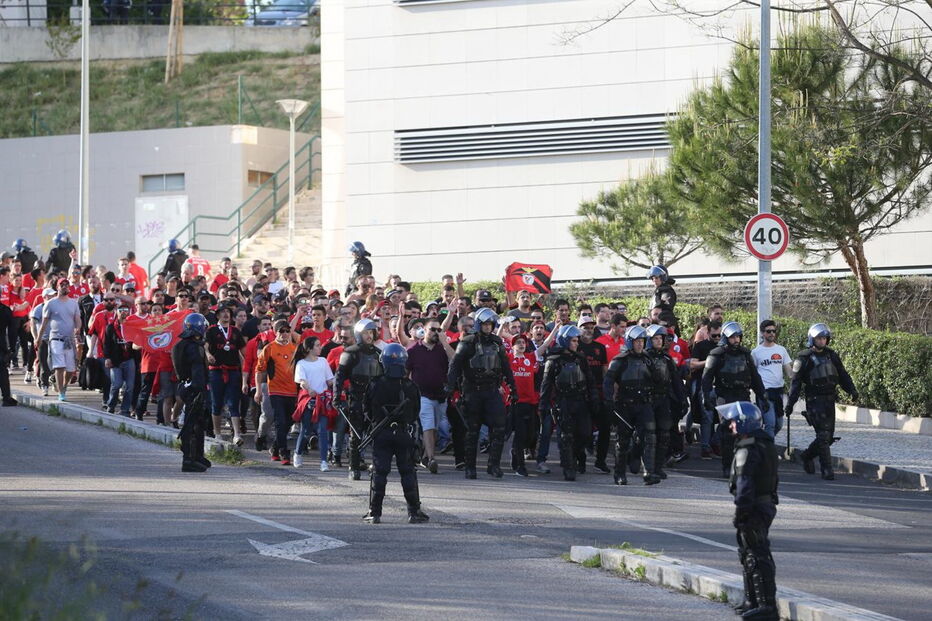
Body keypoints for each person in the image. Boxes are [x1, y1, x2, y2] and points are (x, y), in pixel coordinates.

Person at [719, 402, 779, 621]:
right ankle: (752, 602)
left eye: (734, 421)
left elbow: (745, 483)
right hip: (765, 504)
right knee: (749, 554)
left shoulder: (748, 448)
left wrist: (741, 512)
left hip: (754, 506)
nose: (731, 425)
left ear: (745, 423)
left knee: (757, 555)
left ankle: (766, 606)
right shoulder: (765, 444)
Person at [445, 308, 518, 479]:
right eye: (485, 324)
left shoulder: (496, 343)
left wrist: (513, 388)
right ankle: (470, 467)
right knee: (472, 431)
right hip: (472, 391)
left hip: (492, 391)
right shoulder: (467, 342)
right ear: (479, 324)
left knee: (499, 428)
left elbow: (506, 367)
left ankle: (494, 465)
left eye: (490, 324)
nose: (487, 327)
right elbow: (455, 366)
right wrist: (450, 386)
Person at [362, 343, 429, 524]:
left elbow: (366, 410)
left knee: (379, 473)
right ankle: (414, 512)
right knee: (408, 472)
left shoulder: (374, 384)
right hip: (403, 432)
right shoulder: (411, 386)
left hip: (381, 433)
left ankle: (374, 512)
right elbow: (416, 411)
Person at [785, 323, 859, 481]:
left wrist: (851, 390)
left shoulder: (831, 355)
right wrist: (790, 404)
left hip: (829, 399)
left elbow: (842, 374)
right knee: (823, 435)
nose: (822, 341)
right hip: (814, 401)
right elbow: (796, 384)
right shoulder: (803, 358)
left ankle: (807, 455)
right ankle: (827, 469)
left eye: (824, 338)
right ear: (812, 339)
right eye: (819, 338)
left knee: (828, 436)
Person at [702, 321, 768, 477]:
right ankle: (727, 466)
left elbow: (755, 377)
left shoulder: (745, 354)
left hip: (743, 396)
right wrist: (706, 396)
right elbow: (706, 378)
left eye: (738, 337)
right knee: (727, 433)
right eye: (732, 337)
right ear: (726, 337)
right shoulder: (716, 354)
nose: (736, 340)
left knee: (746, 432)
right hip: (725, 397)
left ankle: (743, 465)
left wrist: (762, 396)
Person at [604, 325, 660, 485]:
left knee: (649, 437)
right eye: (637, 341)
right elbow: (608, 381)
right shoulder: (620, 360)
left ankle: (648, 472)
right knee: (623, 440)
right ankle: (619, 473)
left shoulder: (647, 360)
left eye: (642, 341)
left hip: (644, 404)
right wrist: (608, 401)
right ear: (630, 342)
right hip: (625, 405)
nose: (640, 344)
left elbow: (657, 380)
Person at [540, 325, 596, 481]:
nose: (576, 343)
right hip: (563, 402)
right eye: (573, 340)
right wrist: (543, 405)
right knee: (566, 437)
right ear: (565, 341)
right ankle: (568, 466)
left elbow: (590, 381)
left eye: (577, 340)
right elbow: (546, 384)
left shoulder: (581, 359)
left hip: (581, 401)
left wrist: (594, 400)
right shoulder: (553, 361)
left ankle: (579, 455)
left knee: (585, 434)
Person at [334, 318, 384, 480]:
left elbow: (384, 377)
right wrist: (336, 396)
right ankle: (353, 466)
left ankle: (376, 466)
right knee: (356, 435)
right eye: (365, 333)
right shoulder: (350, 353)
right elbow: (339, 377)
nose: (369, 336)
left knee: (377, 434)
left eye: (371, 332)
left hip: (375, 399)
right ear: (358, 334)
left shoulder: (378, 354)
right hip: (356, 398)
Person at [406, 317, 455, 474]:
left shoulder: (443, 349)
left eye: (438, 330)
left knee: (435, 427)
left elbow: (455, 361)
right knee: (428, 425)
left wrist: (445, 343)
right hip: (422, 395)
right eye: (432, 329)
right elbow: (406, 373)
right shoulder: (413, 350)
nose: (436, 332)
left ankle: (426, 457)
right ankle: (432, 458)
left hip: (441, 395)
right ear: (424, 331)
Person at [646, 324, 687, 481]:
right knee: (648, 434)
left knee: (664, 434)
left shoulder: (667, 358)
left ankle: (658, 466)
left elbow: (676, 381)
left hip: (664, 399)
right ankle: (645, 465)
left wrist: (682, 399)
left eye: (660, 339)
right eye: (655, 338)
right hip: (647, 400)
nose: (659, 341)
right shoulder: (643, 358)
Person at [255, 319, 299, 465]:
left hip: (292, 391)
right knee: (280, 421)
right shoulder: (269, 348)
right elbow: (259, 370)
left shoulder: (295, 349)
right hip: (275, 390)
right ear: (276, 332)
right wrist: (259, 391)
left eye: (288, 331)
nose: (285, 334)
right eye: (282, 331)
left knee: (290, 420)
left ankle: (275, 446)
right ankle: (283, 451)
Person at [172, 313, 211, 473]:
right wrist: (200, 390)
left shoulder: (182, 344)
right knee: (193, 425)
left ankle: (197, 455)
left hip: (187, 386)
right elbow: (197, 371)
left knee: (198, 423)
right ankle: (188, 459)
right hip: (194, 389)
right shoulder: (194, 347)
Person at [206, 306, 247, 444]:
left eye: (228, 312)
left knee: (233, 402)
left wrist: (249, 366)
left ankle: (237, 434)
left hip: (233, 370)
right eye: (222, 312)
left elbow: (243, 351)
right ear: (217, 315)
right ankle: (217, 433)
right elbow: (205, 346)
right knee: (216, 403)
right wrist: (208, 354)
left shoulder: (235, 331)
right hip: (216, 370)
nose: (225, 314)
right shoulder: (211, 330)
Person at [293, 336, 335, 471]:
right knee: (306, 430)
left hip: (322, 401)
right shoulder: (301, 364)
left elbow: (330, 380)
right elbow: (302, 381)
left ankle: (323, 461)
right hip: (308, 401)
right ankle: (298, 453)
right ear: (310, 348)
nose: (320, 347)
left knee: (322, 430)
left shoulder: (323, 361)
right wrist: (309, 388)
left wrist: (338, 384)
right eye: (317, 345)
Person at [576, 315, 611, 474]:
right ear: (579, 329)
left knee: (605, 428)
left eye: (591, 328)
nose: (589, 330)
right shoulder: (576, 347)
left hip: (598, 392)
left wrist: (607, 392)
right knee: (583, 430)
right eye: (585, 327)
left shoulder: (600, 347)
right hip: (581, 394)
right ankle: (580, 460)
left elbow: (604, 371)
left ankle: (600, 460)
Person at [37, 278, 82, 402]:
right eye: (62, 285)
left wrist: (78, 328)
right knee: (59, 366)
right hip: (55, 338)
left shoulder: (73, 303)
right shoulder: (50, 303)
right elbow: (44, 322)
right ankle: (61, 393)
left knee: (70, 369)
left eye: (67, 284)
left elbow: (77, 319)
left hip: (69, 340)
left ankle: (63, 386)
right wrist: (39, 338)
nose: (65, 286)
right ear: (57, 287)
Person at [751, 320, 793, 439]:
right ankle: (769, 455)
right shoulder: (756, 352)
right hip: (764, 393)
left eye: (774, 331)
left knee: (778, 425)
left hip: (778, 392)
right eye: (768, 331)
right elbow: (752, 374)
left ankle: (762, 444)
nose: (772, 334)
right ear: (762, 333)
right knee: (770, 424)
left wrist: (799, 372)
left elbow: (789, 372)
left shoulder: (781, 350)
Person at [103, 305, 136, 416]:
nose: (123, 313)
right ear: (116, 312)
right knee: (116, 384)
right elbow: (106, 344)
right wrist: (107, 357)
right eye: (120, 311)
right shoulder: (110, 327)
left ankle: (124, 409)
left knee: (129, 386)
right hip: (115, 360)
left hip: (129, 359)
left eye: (125, 311)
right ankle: (111, 405)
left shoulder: (132, 326)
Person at [0, 298, 15, 406]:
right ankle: (6, 398)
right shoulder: (5, 310)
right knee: (2, 371)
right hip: (1, 344)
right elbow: (12, 331)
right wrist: (12, 348)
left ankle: (6, 398)